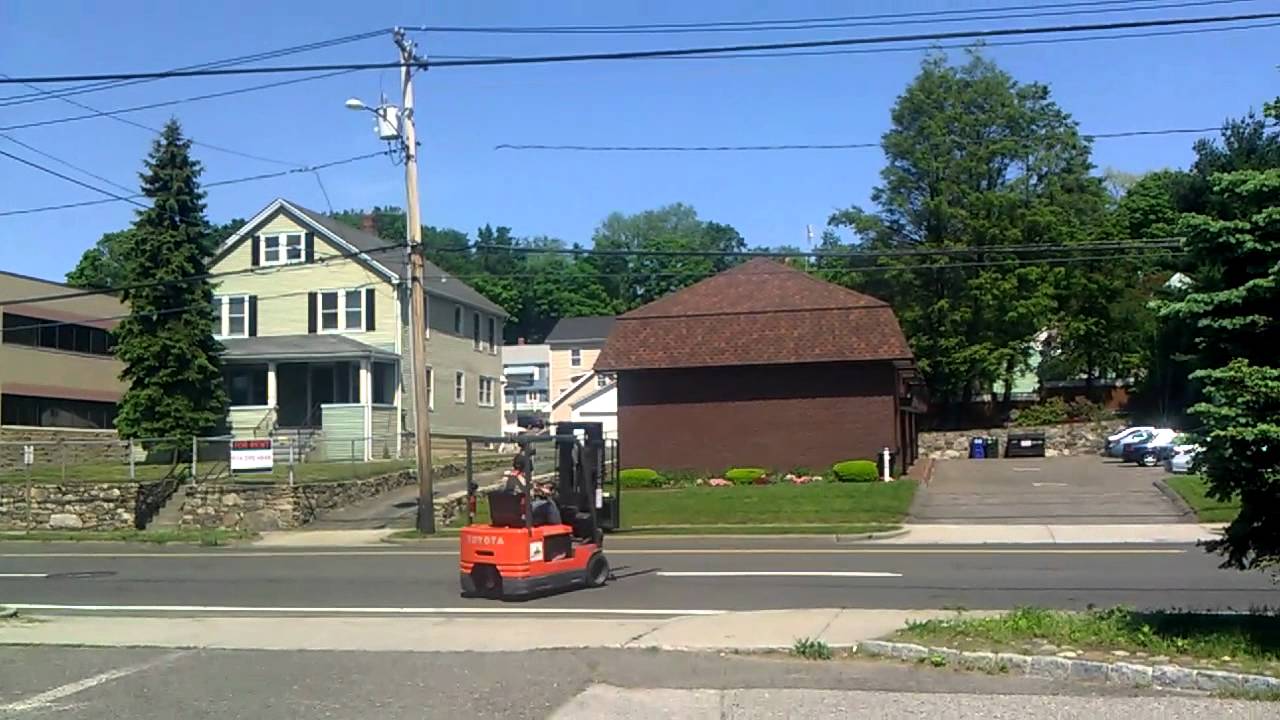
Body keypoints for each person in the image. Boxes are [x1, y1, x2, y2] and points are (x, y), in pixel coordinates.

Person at [505, 442, 561, 526]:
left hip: (514, 508)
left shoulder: (512, 476)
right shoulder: (520, 478)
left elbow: (527, 486)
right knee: (550, 505)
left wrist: (538, 487)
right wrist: (542, 489)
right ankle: (558, 528)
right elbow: (528, 487)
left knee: (539, 503)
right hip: (524, 508)